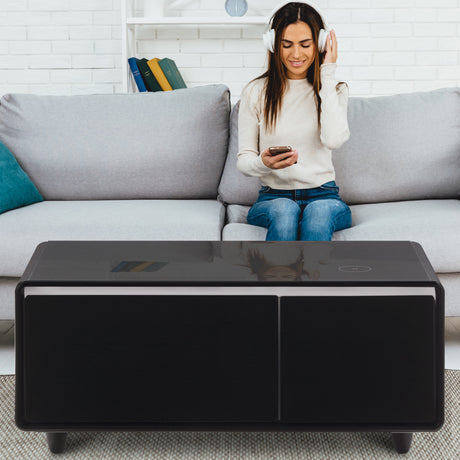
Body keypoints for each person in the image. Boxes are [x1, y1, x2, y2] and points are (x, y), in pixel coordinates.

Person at [237, 1, 352, 241]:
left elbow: (333, 139)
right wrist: (263, 163)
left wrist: (327, 71)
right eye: (286, 45)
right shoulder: (256, 91)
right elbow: (244, 160)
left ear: (319, 44)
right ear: (273, 45)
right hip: (272, 198)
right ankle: (281, 278)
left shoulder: (334, 90)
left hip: (325, 196)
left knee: (319, 213)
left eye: (305, 44)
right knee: (284, 210)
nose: (296, 54)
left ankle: (306, 279)